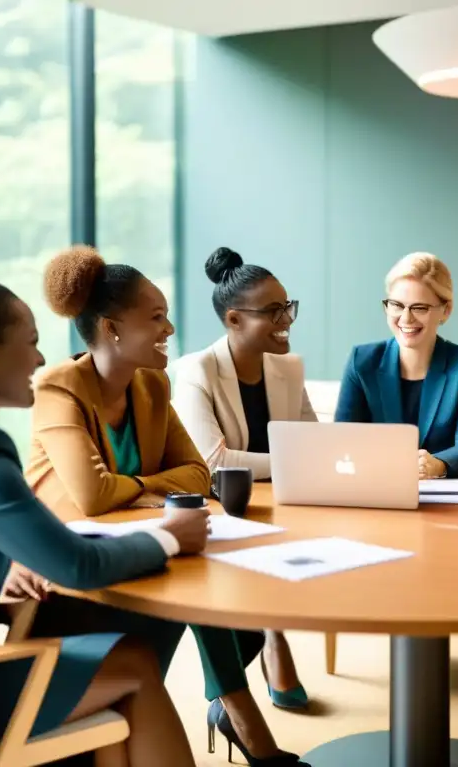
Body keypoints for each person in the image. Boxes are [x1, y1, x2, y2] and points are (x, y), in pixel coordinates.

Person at [0, 262, 206, 766]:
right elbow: (78, 566)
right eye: (31, 341)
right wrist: (170, 537)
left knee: (121, 672)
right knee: (136, 666)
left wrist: (1, 572)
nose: (40, 358)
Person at [24, 246, 307, 766]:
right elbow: (89, 496)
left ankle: (237, 712)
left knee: (204, 566)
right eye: (156, 318)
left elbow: (199, 473)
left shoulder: (152, 384)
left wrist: (129, 485)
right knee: (194, 565)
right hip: (72, 577)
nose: (171, 328)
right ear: (111, 329)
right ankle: (241, 715)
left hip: (143, 552)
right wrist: (153, 487)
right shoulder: (57, 387)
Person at [171, 246, 312, 710]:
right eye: (272, 311)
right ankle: (270, 641)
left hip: (279, 504)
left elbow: (312, 443)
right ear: (233, 320)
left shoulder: (288, 366)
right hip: (219, 509)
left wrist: (303, 460)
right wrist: (294, 460)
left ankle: (267, 642)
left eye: (287, 306)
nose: (286, 318)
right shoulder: (197, 370)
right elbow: (214, 463)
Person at [334, 252, 458, 479]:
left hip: (441, 501)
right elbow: (343, 440)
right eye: (397, 305)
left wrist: (437, 465)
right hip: (374, 488)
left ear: (445, 310)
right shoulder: (362, 361)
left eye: (419, 308)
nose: (405, 319)